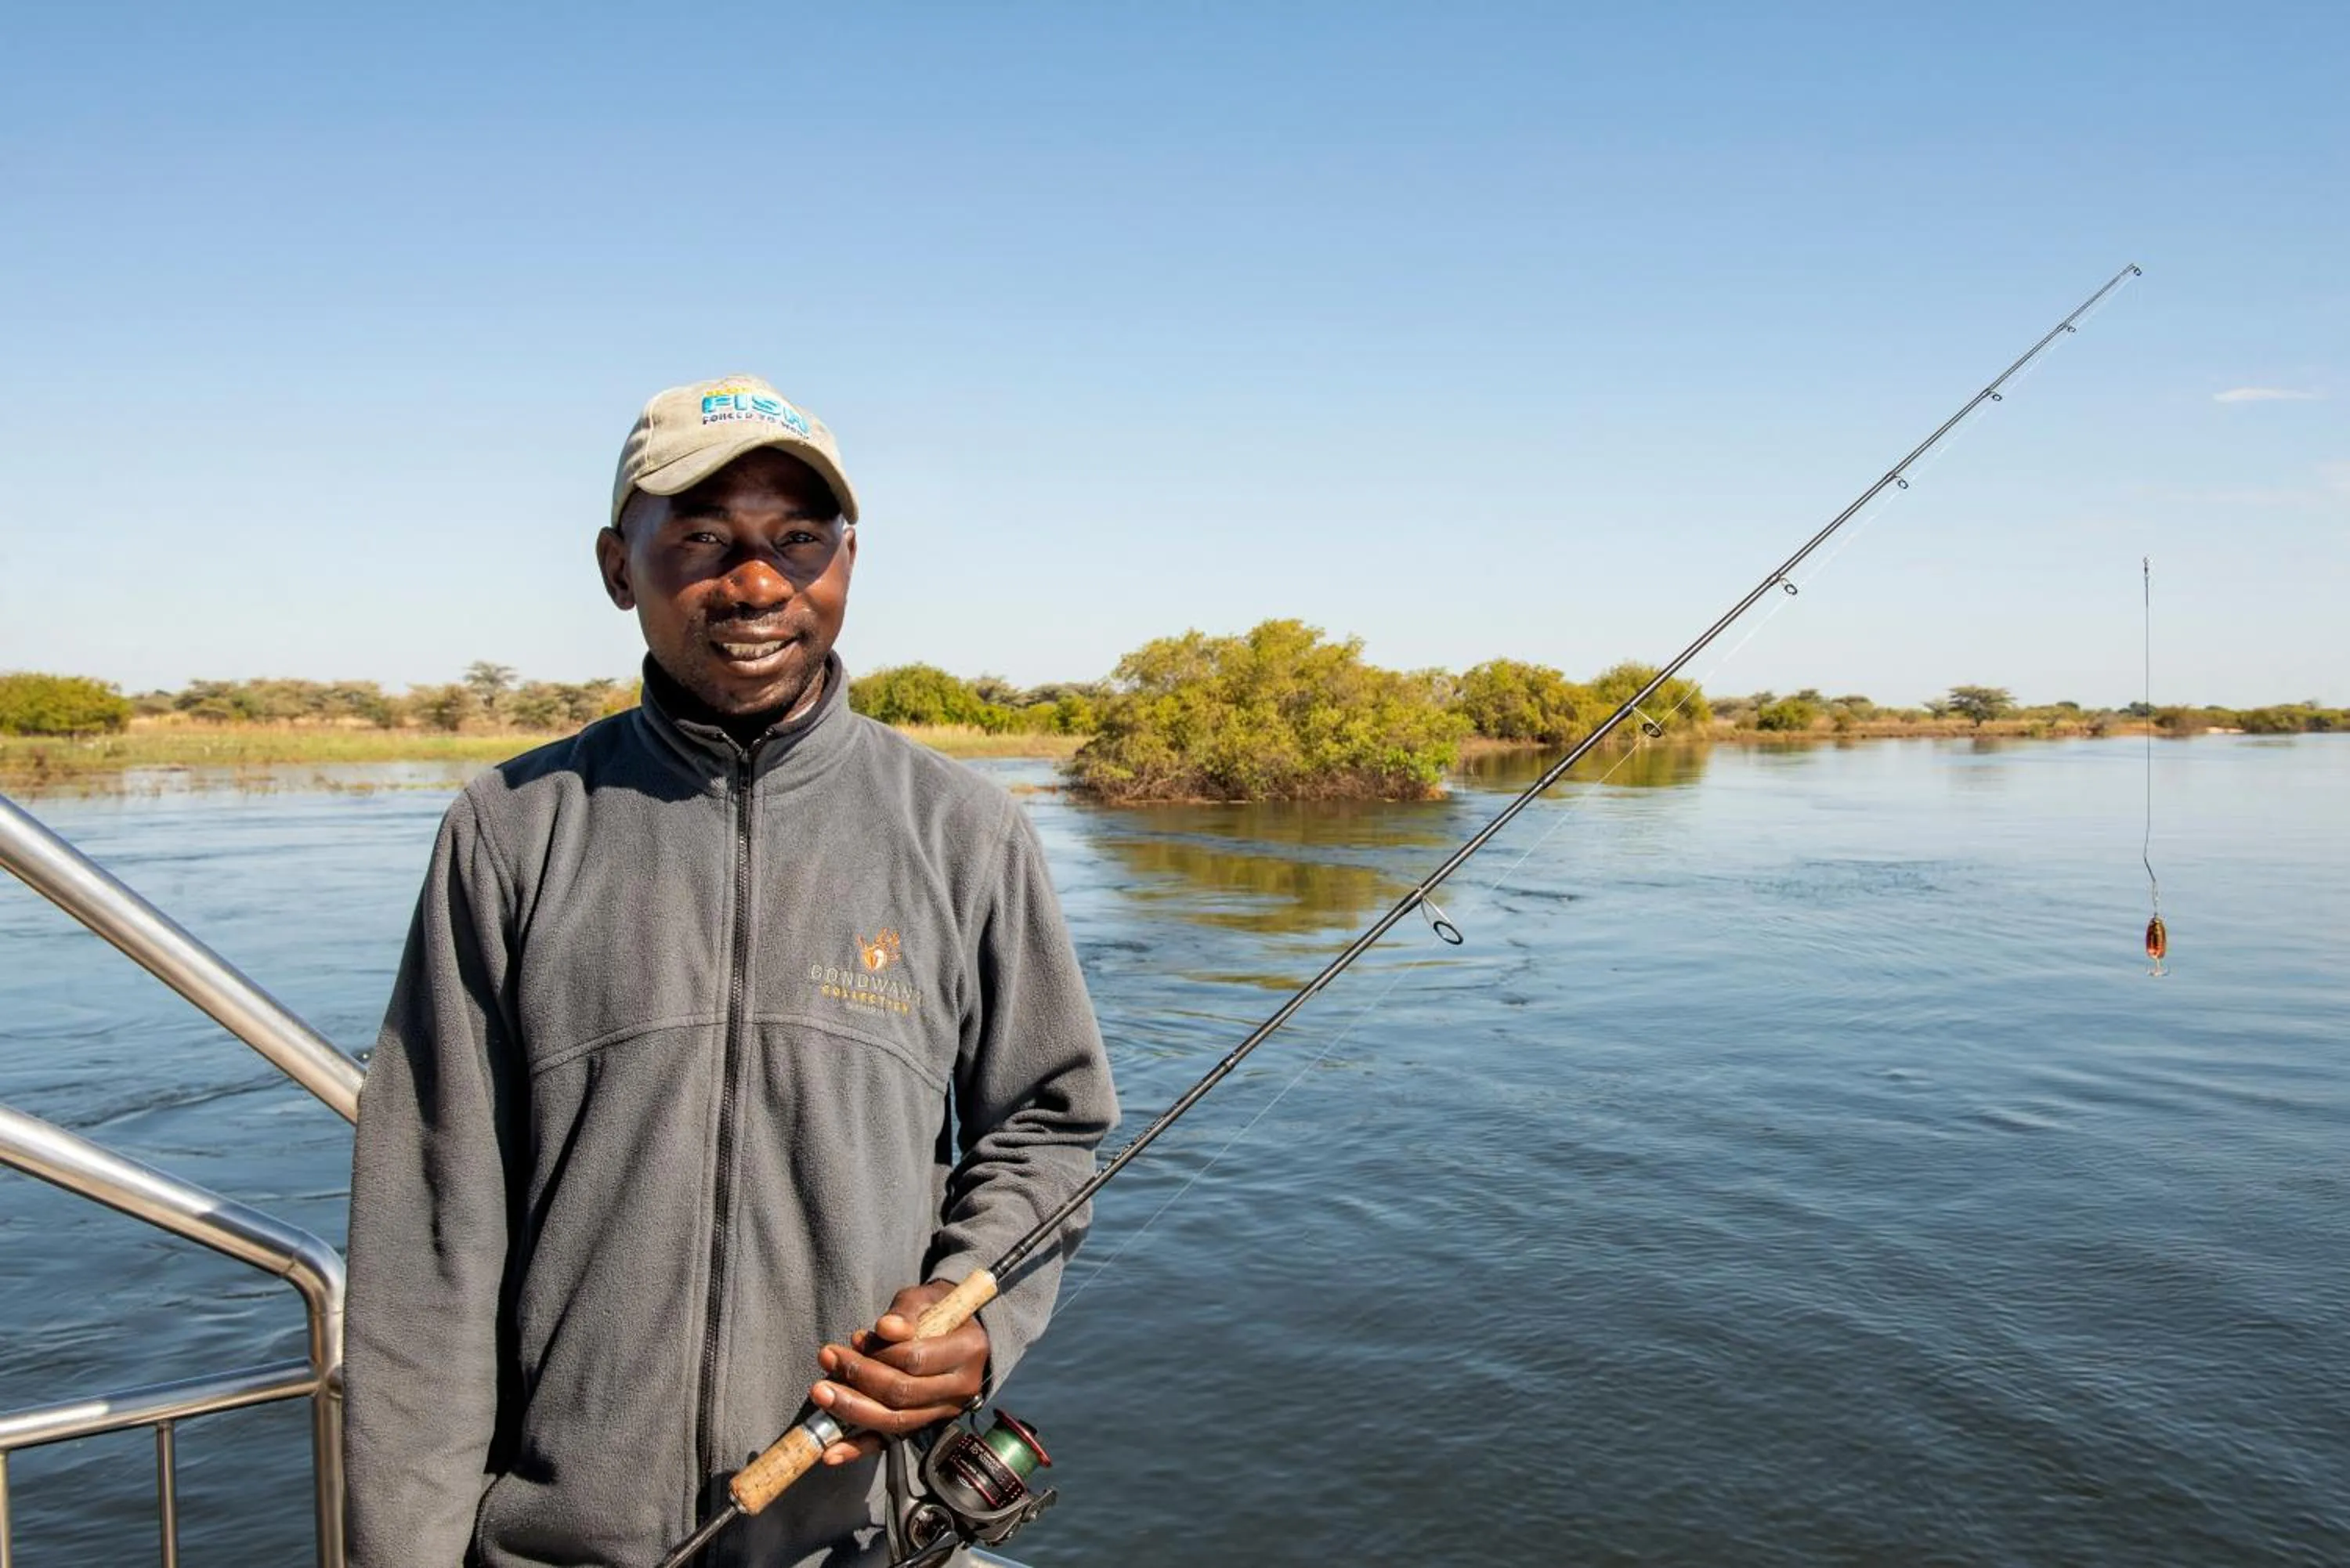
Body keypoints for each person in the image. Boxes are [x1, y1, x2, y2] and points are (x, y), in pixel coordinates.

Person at [343, 375, 1119, 1567]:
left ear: (849, 561)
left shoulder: (965, 829)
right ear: (618, 565)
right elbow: (430, 1236)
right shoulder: (510, 827)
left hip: (862, 1535)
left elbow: (1048, 1126)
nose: (758, 582)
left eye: (798, 539)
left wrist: (978, 1312)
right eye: (702, 537)